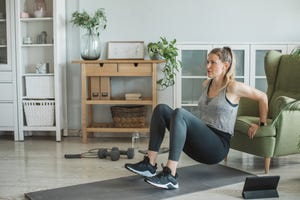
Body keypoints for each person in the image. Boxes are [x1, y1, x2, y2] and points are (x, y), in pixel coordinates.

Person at [125, 47, 268, 190]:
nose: (207, 66)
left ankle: (171, 175)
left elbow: (263, 97)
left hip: (217, 147)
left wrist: (261, 124)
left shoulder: (233, 87)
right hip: (201, 142)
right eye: (207, 62)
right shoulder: (206, 84)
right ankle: (149, 164)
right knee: (161, 109)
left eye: (213, 62)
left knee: (180, 113)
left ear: (225, 65)